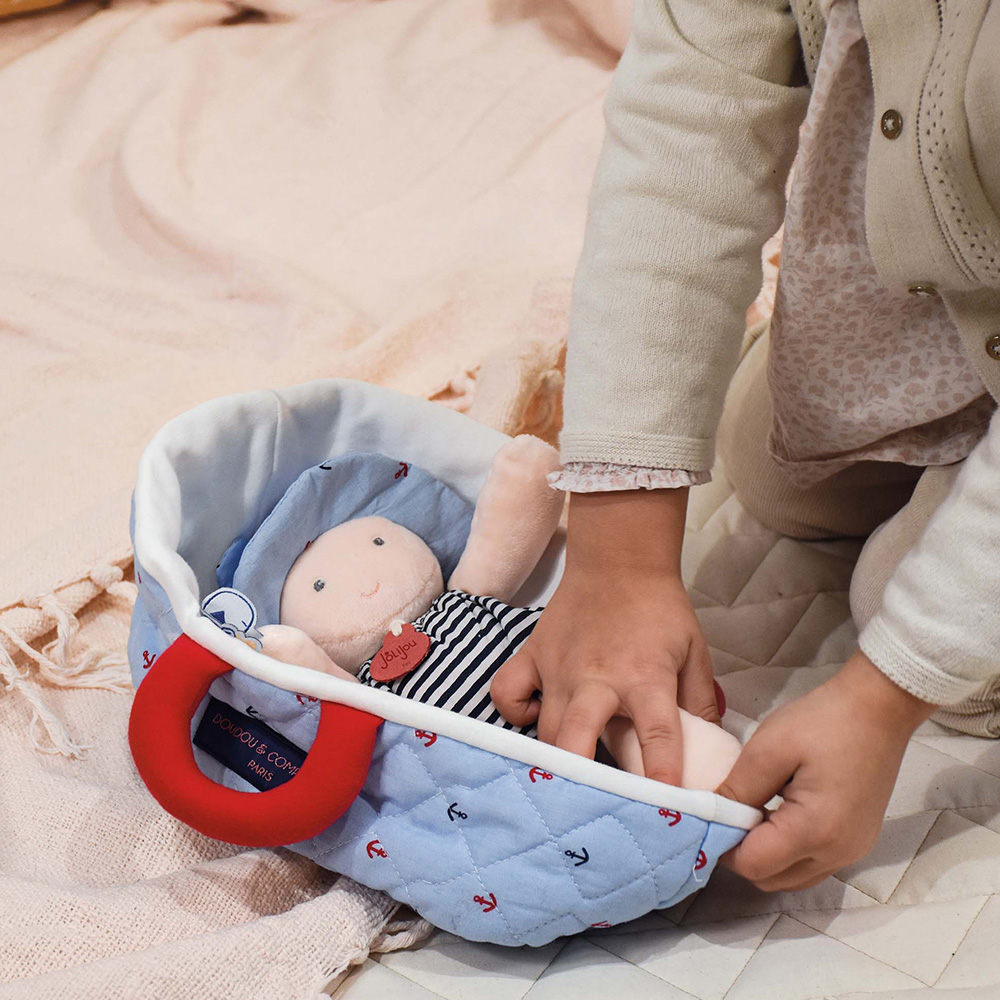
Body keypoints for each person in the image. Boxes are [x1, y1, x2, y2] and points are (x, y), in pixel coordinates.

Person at [490, 0, 1000, 892]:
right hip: (934, 305)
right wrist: (620, 549)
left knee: (909, 614)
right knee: (763, 463)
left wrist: (889, 695)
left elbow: (903, 668)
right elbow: (685, 136)